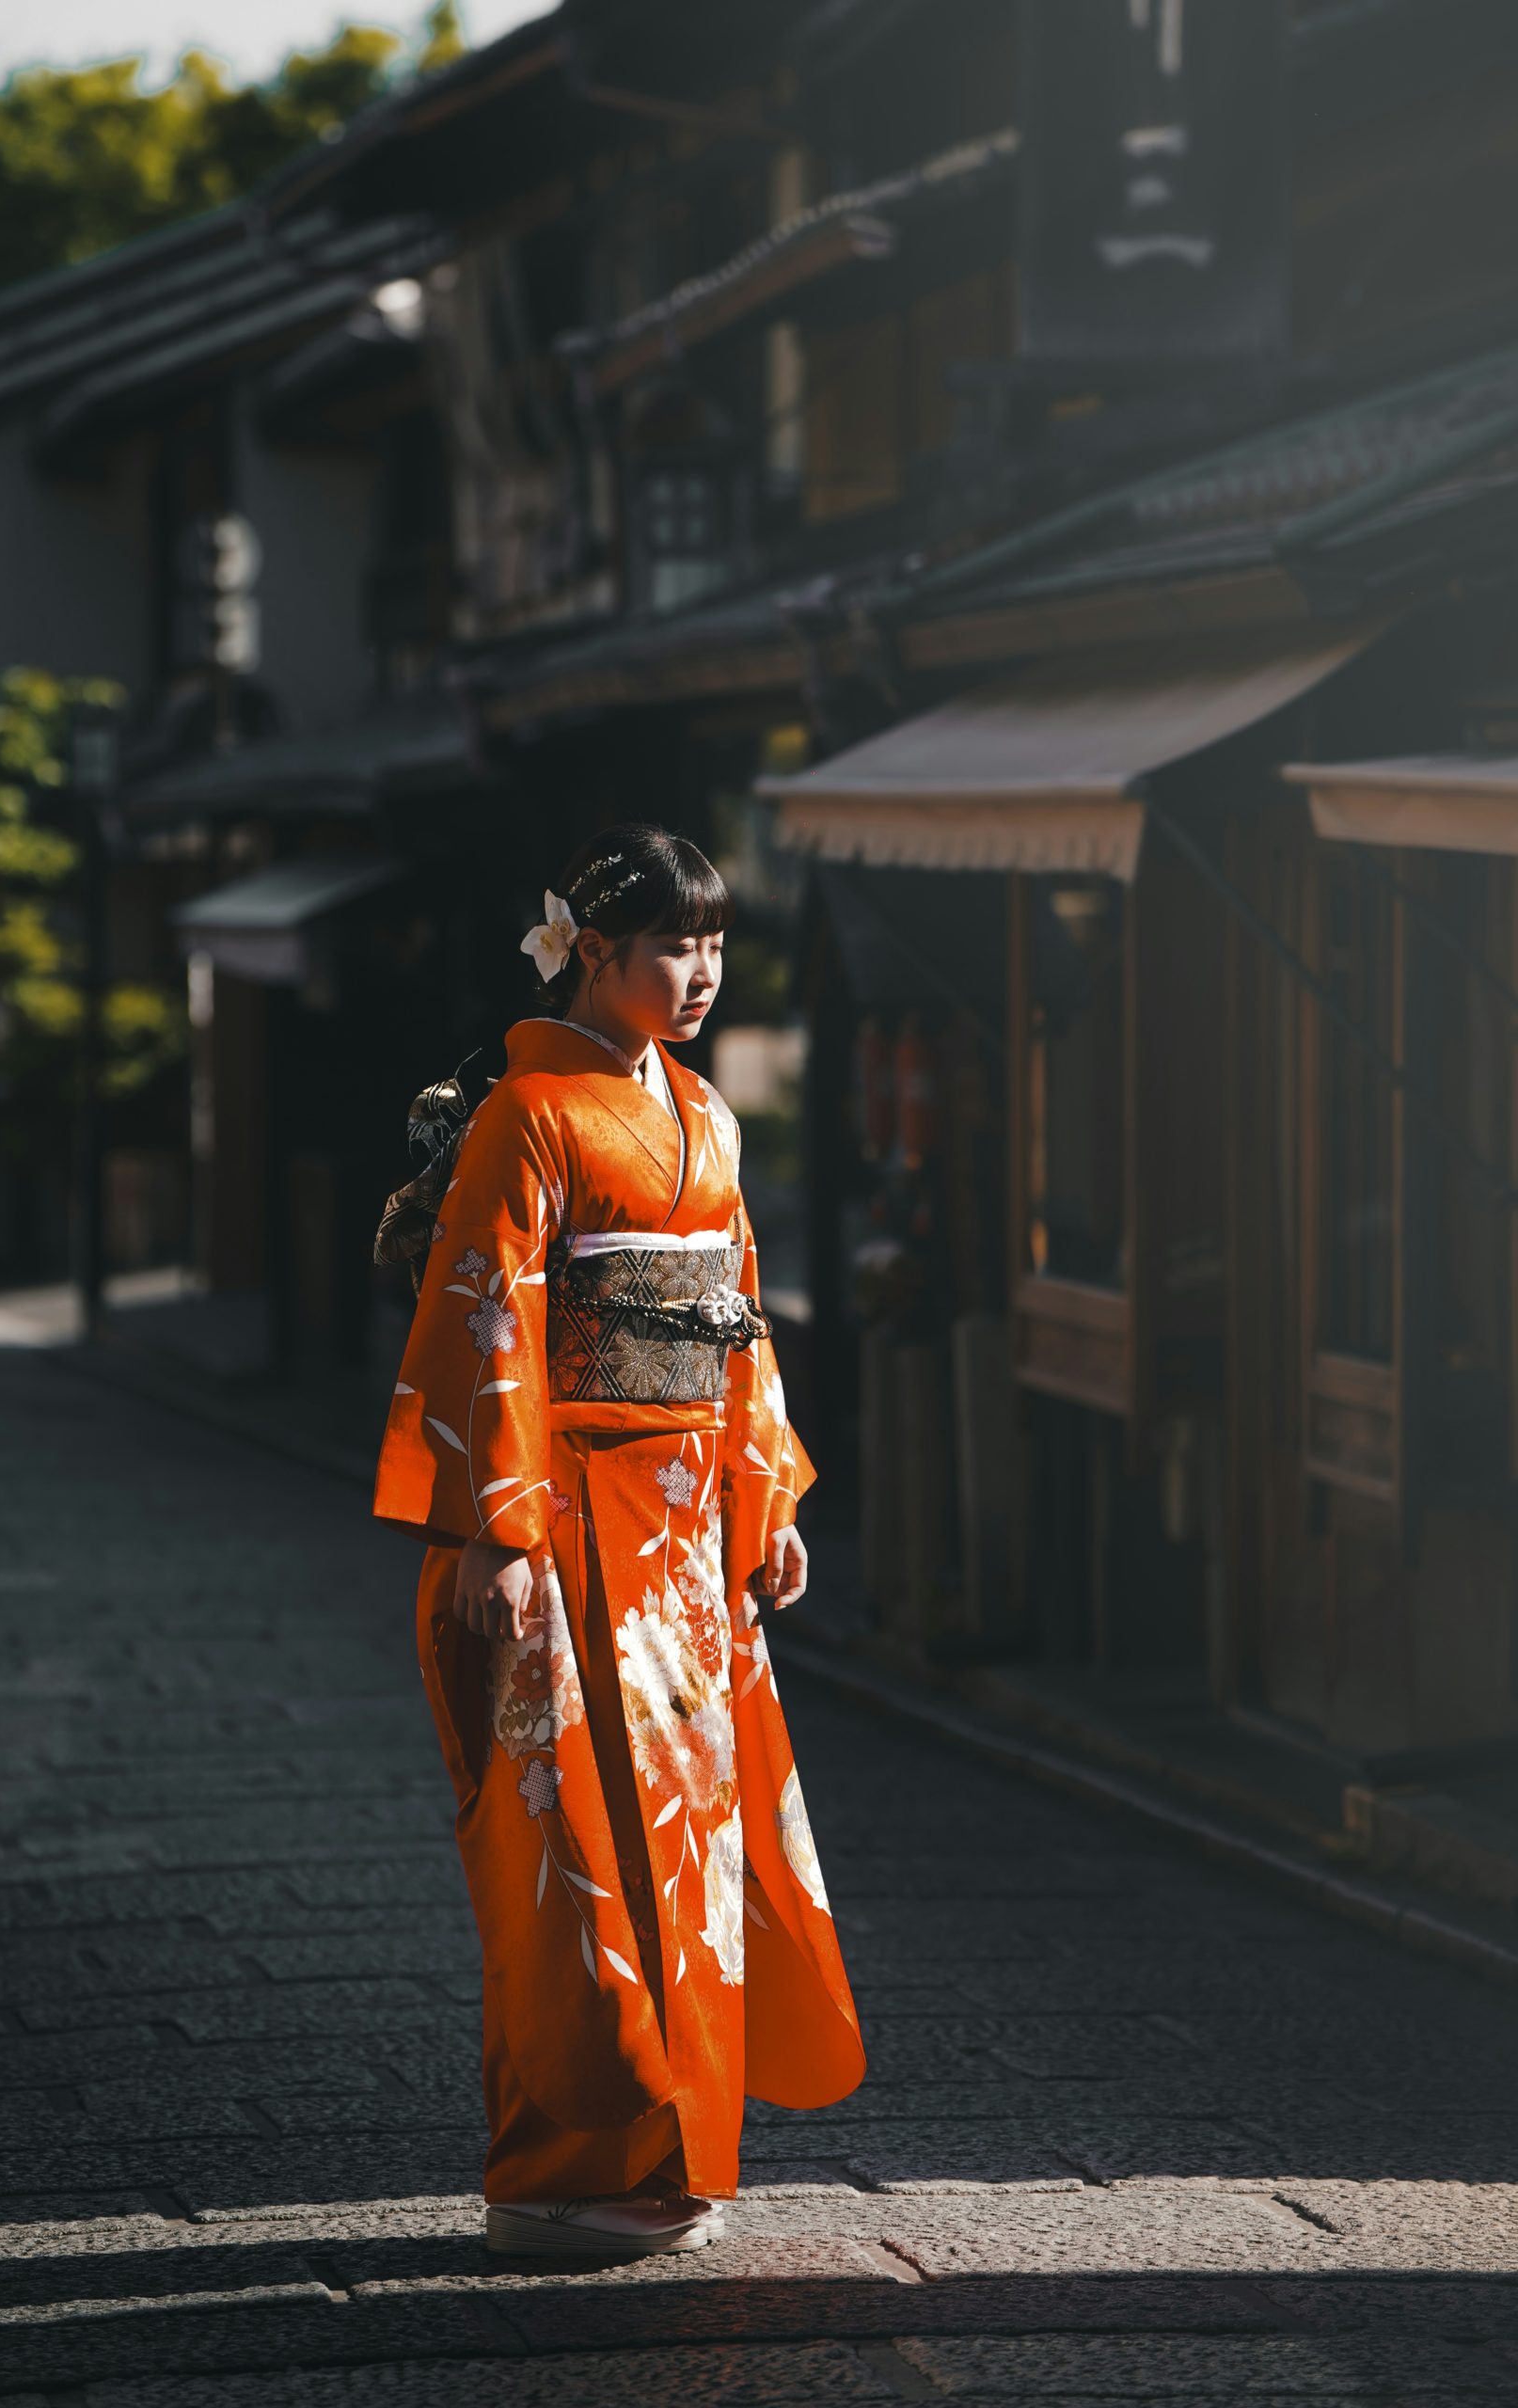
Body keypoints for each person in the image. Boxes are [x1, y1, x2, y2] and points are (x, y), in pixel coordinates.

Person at [373, 824, 864, 2261]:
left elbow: (739, 1327)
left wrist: (762, 1497)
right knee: (565, 1853)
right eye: (669, 947)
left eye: (714, 946)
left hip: (681, 1548)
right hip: (562, 1518)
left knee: (691, 1858)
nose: (700, 973)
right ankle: (555, 2171)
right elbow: (489, 1315)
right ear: (590, 955)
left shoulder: (704, 1118)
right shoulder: (532, 1116)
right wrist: (494, 1531)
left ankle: (680, 2153)